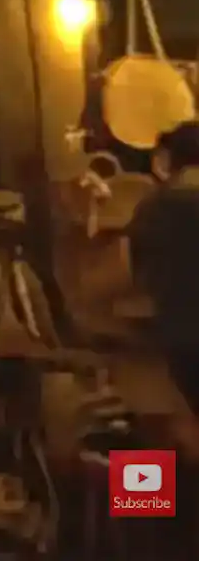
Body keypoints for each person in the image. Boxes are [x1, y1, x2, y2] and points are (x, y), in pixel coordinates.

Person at [129, 119, 199, 457]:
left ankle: (157, 488)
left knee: (170, 430)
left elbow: (139, 272)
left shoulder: (151, 207)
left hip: (175, 336)